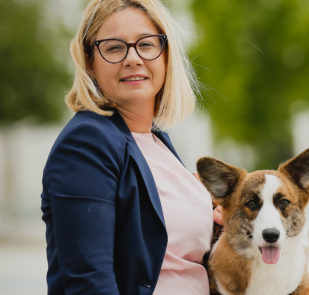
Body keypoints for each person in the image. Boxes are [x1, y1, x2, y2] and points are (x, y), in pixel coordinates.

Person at [41, 0, 220, 294]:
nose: (133, 58)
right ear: (89, 61)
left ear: (166, 54)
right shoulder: (86, 143)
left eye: (146, 45)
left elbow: (173, 254)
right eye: (114, 48)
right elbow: (89, 281)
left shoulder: (158, 141)